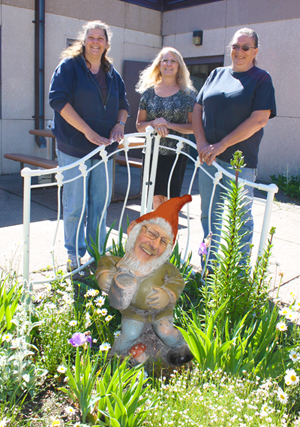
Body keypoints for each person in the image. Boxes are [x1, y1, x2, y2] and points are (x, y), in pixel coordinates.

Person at [49, 21, 129, 271]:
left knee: (99, 203)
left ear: (107, 44)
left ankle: (95, 254)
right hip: (74, 147)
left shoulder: (112, 73)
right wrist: (88, 132)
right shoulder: (69, 67)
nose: (95, 42)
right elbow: (58, 101)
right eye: (91, 37)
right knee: (76, 204)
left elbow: (124, 104)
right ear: (83, 41)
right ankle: (73, 254)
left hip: (104, 150)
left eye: (100, 38)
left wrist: (119, 124)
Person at [193, 27, 276, 265]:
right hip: (208, 159)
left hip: (240, 164)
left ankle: (235, 278)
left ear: (255, 51)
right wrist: (201, 142)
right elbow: (198, 109)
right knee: (209, 214)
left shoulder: (261, 79)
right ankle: (208, 271)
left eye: (245, 47)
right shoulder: (216, 74)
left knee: (237, 221)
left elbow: (259, 119)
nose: (239, 51)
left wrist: (220, 145)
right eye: (235, 46)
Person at [96, 194, 193, 366]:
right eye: (151, 234)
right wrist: (104, 274)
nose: (154, 245)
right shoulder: (122, 262)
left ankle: (180, 348)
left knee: (166, 330)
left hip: (160, 311)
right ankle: (114, 357)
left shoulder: (164, 268)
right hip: (133, 311)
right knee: (130, 333)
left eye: (163, 242)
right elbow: (106, 262)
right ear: (133, 229)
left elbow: (178, 281)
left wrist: (168, 294)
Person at [136, 47, 197, 210]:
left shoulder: (188, 95)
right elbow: (139, 125)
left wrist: (168, 125)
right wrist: (154, 123)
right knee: (154, 200)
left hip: (176, 154)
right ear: (159, 64)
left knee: (169, 202)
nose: (168, 64)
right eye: (165, 60)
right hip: (152, 153)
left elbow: (193, 127)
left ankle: (168, 236)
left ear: (179, 66)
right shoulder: (148, 93)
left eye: (173, 61)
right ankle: (154, 235)